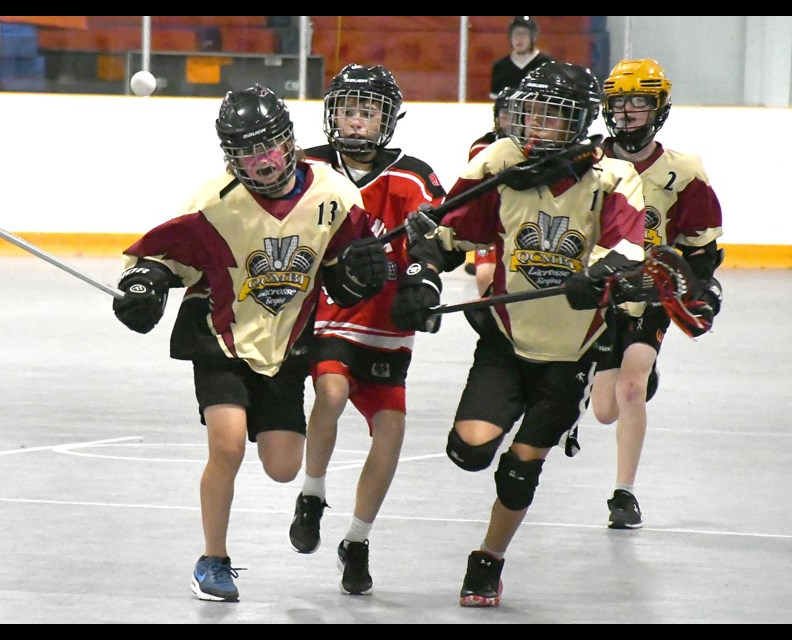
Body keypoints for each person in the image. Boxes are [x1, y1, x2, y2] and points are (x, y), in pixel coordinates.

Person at [110, 84, 389, 603]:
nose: (261, 162)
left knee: (283, 467)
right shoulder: (214, 204)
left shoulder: (332, 194)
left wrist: (361, 275)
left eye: (268, 147)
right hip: (217, 336)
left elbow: (342, 269)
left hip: (284, 345)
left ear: (289, 141)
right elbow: (162, 258)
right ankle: (212, 561)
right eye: (246, 152)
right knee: (228, 445)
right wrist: (143, 283)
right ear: (230, 156)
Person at [390, 61, 648, 607]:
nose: (536, 126)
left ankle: (488, 559)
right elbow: (447, 233)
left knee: (519, 470)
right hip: (507, 341)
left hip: (573, 351)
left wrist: (601, 273)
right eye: (531, 113)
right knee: (469, 452)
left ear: (578, 123)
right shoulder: (501, 160)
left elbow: (630, 245)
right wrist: (422, 272)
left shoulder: (611, 177)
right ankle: (499, 448)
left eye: (553, 117)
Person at [289, 63, 447, 595]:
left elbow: (435, 240)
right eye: (349, 110)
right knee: (330, 391)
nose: (357, 122)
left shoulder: (412, 176)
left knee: (393, 430)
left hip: (386, 326)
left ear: (388, 119)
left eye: (369, 111)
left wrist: (423, 285)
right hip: (331, 315)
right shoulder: (308, 168)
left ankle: (356, 540)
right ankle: (312, 494)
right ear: (333, 114)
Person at [591, 58, 724, 529]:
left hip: (651, 293)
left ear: (659, 108)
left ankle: (623, 493)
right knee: (604, 409)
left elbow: (700, 245)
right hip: (602, 293)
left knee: (631, 387)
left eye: (638, 104)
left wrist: (700, 283)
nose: (627, 114)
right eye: (619, 104)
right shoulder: (592, 164)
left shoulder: (682, 171)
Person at [463, 86, 513, 293]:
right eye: (505, 114)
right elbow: (474, 193)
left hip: (520, 223)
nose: (511, 120)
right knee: (485, 276)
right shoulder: (483, 147)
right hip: (491, 224)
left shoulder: (537, 147)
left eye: (517, 113)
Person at [489, 16, 554, 99]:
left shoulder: (547, 65)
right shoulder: (500, 67)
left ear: (533, 37)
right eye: (516, 33)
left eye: (524, 33)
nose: (519, 38)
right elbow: (496, 102)